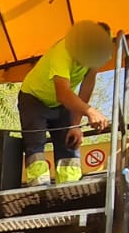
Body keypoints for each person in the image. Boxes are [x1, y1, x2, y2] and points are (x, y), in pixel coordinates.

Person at [19, 21, 114, 187]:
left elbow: (87, 85)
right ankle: (38, 187)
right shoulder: (63, 50)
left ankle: (70, 187)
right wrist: (90, 111)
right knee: (36, 144)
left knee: (70, 142)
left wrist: (75, 125)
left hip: (60, 102)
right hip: (33, 97)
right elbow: (62, 93)